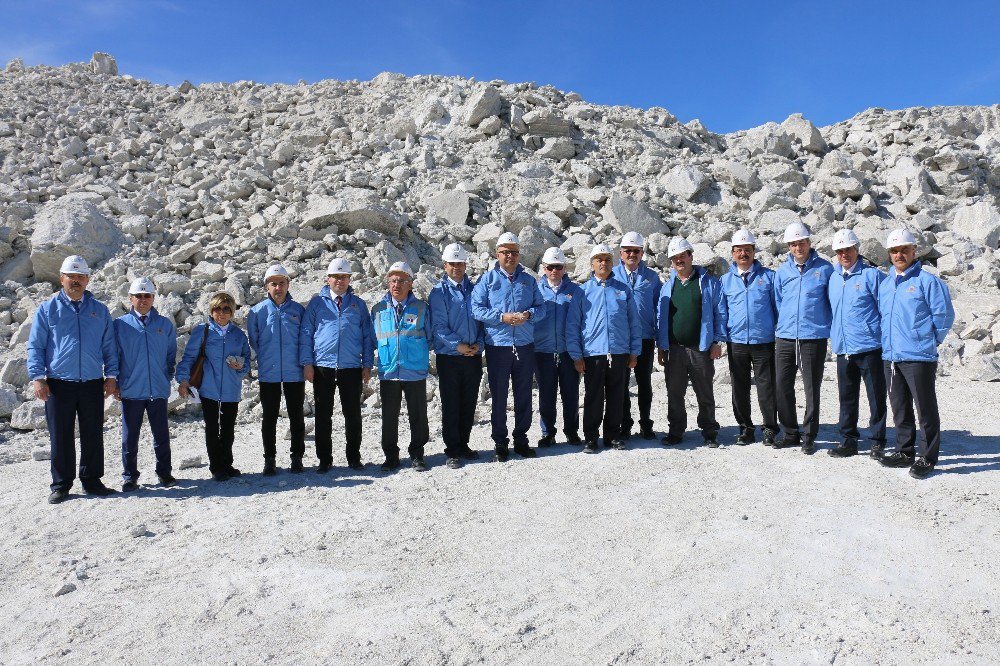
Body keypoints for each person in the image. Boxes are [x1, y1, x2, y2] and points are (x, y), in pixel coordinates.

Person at [28, 255, 119, 504]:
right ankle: (61, 484)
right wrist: (38, 377)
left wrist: (111, 376)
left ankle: (92, 480)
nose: (76, 281)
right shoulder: (47, 309)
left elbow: (109, 346)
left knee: (93, 433)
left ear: (88, 279)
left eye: (80, 276)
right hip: (58, 382)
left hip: (91, 382)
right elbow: (36, 346)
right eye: (71, 276)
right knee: (61, 434)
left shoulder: (99, 310)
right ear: (62, 279)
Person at [877, 229, 955, 479]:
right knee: (900, 407)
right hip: (891, 356)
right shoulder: (886, 283)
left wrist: (929, 341)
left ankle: (928, 456)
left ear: (914, 251)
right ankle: (904, 450)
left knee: (925, 408)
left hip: (918, 356)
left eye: (904, 250)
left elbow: (943, 316)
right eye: (894, 251)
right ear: (889, 254)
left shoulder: (928, 281)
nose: (899, 255)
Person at [471, 232, 546, 462]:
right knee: (500, 396)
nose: (510, 256)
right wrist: (501, 317)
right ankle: (500, 443)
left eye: (514, 252)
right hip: (498, 346)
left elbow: (541, 308)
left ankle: (521, 439)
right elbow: (476, 308)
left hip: (524, 345)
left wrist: (528, 314)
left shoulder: (529, 280)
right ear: (498, 254)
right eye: (505, 252)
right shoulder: (488, 280)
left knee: (524, 394)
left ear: (519, 254)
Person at [299, 257, 374, 473]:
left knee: (353, 414)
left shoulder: (358, 304)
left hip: (351, 367)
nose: (340, 281)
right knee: (323, 414)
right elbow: (306, 334)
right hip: (323, 366)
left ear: (350, 279)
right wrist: (307, 363)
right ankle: (325, 459)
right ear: (328, 279)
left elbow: (367, 336)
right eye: (335, 277)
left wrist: (367, 363)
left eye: (344, 277)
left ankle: (353, 457)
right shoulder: (317, 303)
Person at [566, 244, 640, 453]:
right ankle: (591, 437)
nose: (603, 263)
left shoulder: (622, 290)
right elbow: (573, 325)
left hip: (618, 351)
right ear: (592, 264)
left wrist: (634, 351)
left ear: (612, 263)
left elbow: (633, 322)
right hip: (593, 352)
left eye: (607, 259)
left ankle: (613, 436)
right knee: (593, 396)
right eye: (599, 260)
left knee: (617, 395)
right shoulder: (583, 291)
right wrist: (576, 355)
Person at [656, 237, 726, 447]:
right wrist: (662, 345)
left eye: (683, 256)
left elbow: (719, 312)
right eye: (675, 258)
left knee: (704, 392)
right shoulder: (668, 286)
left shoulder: (708, 283)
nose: (679, 260)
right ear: (671, 261)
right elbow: (662, 318)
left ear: (690, 256)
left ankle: (709, 431)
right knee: (675, 393)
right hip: (675, 350)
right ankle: (676, 431)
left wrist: (717, 341)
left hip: (700, 348)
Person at [773, 221, 834, 454]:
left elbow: (830, 301)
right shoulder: (782, 272)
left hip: (812, 337)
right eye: (794, 244)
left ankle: (809, 435)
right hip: (786, 337)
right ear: (789, 246)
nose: (798, 247)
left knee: (811, 389)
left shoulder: (825, 269)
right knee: (782, 386)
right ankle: (790, 432)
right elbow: (779, 301)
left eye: (802, 242)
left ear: (809, 243)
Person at [177, 292, 251, 482]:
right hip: (209, 389)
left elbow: (247, 364)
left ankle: (227, 463)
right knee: (212, 428)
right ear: (211, 310)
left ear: (232, 312)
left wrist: (240, 366)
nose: (221, 313)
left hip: (231, 389)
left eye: (226, 309)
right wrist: (183, 380)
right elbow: (189, 358)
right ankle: (216, 467)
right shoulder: (203, 331)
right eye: (217, 308)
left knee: (228, 429)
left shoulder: (238, 335)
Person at [826, 229, 887, 459]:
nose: (844, 254)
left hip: (869, 346)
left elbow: (886, 309)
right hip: (844, 348)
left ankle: (878, 440)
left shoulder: (872, 276)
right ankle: (848, 440)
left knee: (876, 397)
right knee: (847, 397)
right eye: (840, 251)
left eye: (848, 250)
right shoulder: (832, 278)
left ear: (857, 249)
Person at [113, 277, 177, 491]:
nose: (143, 300)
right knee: (130, 437)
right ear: (130, 298)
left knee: (161, 435)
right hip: (132, 390)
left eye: (147, 296)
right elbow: (114, 356)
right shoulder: (120, 325)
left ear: (153, 298)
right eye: (138, 296)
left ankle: (165, 473)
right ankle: (129, 476)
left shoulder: (164, 324)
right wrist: (117, 382)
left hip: (158, 390)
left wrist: (164, 376)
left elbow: (170, 355)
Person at [371, 262, 433, 472]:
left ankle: (417, 454)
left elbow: (431, 336)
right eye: (393, 280)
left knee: (418, 415)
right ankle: (391, 456)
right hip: (389, 371)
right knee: (389, 417)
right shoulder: (378, 309)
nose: (396, 284)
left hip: (414, 370)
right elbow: (372, 339)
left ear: (410, 283)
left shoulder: (421, 308)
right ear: (388, 283)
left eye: (402, 280)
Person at [719, 229, 779, 446]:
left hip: (763, 341)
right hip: (736, 342)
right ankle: (745, 428)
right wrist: (721, 337)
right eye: (739, 250)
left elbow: (777, 308)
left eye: (747, 249)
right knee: (740, 387)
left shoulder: (769, 277)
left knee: (767, 387)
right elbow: (722, 311)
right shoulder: (725, 281)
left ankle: (770, 427)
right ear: (732, 253)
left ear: (754, 251)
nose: (743, 253)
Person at [429, 243, 484, 469]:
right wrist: (458, 346)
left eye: (460, 263)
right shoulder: (438, 292)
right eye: (452, 264)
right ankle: (452, 449)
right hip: (450, 357)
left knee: (469, 402)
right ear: (445, 266)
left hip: (473, 356)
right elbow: (439, 327)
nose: (457, 267)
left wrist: (479, 344)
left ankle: (464, 443)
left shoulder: (475, 289)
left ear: (465, 265)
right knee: (451, 403)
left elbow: (481, 321)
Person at [247, 264, 306, 476]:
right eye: (274, 284)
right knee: (269, 417)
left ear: (288, 285)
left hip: (294, 372)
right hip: (269, 372)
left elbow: (304, 339)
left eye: (282, 283)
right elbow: (254, 340)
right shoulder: (257, 312)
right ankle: (269, 458)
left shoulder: (298, 310)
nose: (278, 287)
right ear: (267, 287)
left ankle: (297, 457)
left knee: (296, 416)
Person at [612, 231, 662, 440]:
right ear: (621, 253)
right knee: (621, 382)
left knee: (644, 382)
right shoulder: (612, 275)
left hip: (645, 337)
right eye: (628, 251)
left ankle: (645, 422)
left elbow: (659, 307)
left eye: (636, 251)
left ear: (642, 253)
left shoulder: (651, 277)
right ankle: (624, 422)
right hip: (621, 339)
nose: (632, 254)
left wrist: (661, 339)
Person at [533, 247, 582, 448]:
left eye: (558, 267)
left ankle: (571, 432)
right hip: (542, 352)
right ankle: (548, 433)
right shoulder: (535, 291)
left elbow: (581, 322)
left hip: (568, 352)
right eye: (550, 267)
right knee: (546, 396)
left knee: (571, 394)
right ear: (544, 268)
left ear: (564, 268)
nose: (554, 271)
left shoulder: (575, 291)